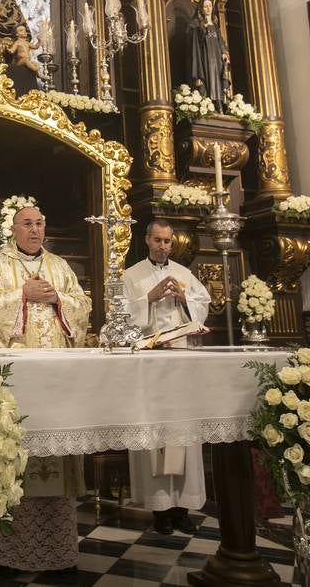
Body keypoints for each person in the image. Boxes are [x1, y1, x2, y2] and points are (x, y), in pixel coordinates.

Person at [0, 201, 91, 574]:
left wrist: (58, 299)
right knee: (9, 460)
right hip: (14, 383)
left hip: (55, 383)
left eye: (39, 223)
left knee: (54, 460)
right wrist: (22, 295)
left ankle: (57, 552)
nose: (35, 229)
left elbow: (83, 305)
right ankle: (6, 554)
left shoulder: (59, 266)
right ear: (13, 229)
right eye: (27, 224)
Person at [122, 219, 211, 536]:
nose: (163, 246)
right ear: (147, 240)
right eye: (158, 240)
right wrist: (149, 298)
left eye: (168, 241)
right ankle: (160, 508)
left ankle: (182, 508)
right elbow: (122, 317)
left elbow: (203, 304)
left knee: (183, 432)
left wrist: (185, 299)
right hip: (149, 365)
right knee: (155, 434)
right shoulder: (131, 276)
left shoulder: (184, 274)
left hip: (181, 362)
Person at [187, 0, 231, 111]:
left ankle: (219, 103)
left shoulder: (215, 25)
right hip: (204, 58)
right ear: (201, 9)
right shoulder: (196, 24)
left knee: (217, 79)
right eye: (205, 6)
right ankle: (208, 104)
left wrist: (224, 52)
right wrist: (202, 30)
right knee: (207, 78)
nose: (208, 8)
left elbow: (221, 41)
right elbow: (194, 44)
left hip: (216, 59)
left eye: (210, 6)